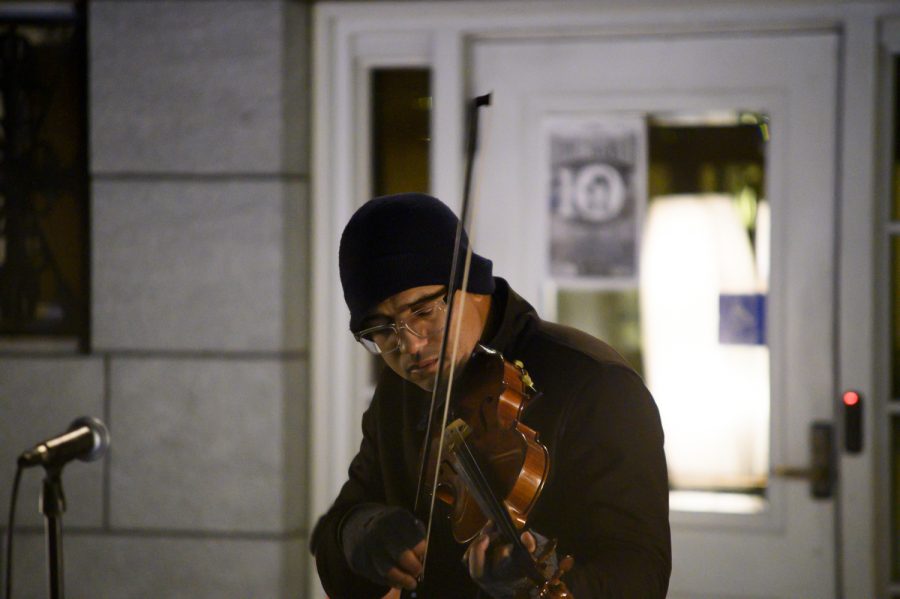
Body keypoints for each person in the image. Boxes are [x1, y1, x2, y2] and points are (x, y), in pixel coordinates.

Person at [310, 193, 671, 598]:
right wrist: (362, 534)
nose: (409, 346)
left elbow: (639, 573)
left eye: (423, 312)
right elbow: (336, 529)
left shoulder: (596, 385)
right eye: (381, 330)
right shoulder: (402, 389)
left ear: (472, 285)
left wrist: (526, 588)